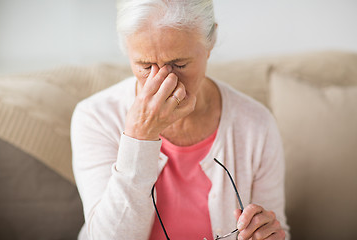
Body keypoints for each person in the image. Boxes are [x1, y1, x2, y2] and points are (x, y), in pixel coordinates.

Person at [71, 0, 290, 239]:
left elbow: (276, 229)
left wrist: (267, 234)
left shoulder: (256, 124)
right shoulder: (95, 117)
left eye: (179, 64)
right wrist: (139, 137)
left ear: (211, 40)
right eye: (145, 66)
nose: (165, 83)